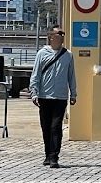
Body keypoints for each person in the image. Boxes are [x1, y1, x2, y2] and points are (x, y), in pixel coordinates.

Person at [29, 26, 77, 168]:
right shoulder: (42, 54)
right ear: (51, 36)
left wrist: (73, 93)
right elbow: (35, 74)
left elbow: (71, 76)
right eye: (59, 33)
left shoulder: (68, 55)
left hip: (60, 97)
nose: (62, 35)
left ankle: (54, 156)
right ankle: (47, 155)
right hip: (44, 96)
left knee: (56, 127)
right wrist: (34, 93)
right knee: (46, 127)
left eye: (63, 33)